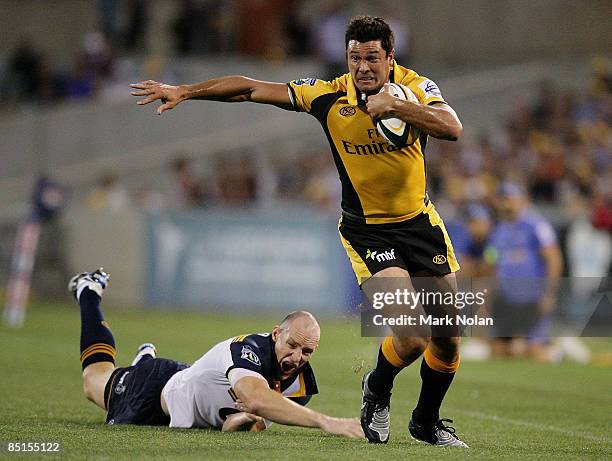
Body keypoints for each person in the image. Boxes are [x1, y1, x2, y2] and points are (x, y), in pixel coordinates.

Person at [130, 16, 467, 447]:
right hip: (369, 232)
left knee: (449, 339)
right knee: (413, 335)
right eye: (355, 57)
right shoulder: (328, 95)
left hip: (421, 225)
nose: (363, 67)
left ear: (390, 58)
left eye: (372, 58)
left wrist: (397, 107)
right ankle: (377, 389)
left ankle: (426, 421)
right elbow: (251, 88)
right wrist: (186, 91)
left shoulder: (416, 86)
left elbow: (452, 127)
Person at [70, 268, 363, 437]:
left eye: (308, 351)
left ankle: (143, 359)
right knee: (94, 380)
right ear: (276, 333)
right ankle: (89, 291)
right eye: (292, 345)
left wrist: (246, 421)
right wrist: (327, 422)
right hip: (153, 390)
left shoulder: (298, 387)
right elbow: (255, 397)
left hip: (189, 383)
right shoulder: (248, 349)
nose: (297, 357)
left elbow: (239, 424)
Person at [486, 182, 563, 361]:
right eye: (502, 199)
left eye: (509, 199)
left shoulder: (535, 225)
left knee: (535, 352)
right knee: (498, 350)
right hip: (506, 299)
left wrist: (549, 292)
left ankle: (557, 351)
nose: (505, 203)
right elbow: (492, 263)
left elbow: (553, 258)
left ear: (522, 199)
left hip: (532, 298)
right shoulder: (498, 230)